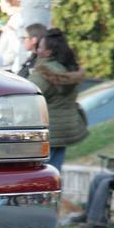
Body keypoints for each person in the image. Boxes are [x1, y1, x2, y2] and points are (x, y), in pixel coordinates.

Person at [27, 28, 87, 171]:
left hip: (48, 131)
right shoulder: (67, 68)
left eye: (40, 47)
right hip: (64, 129)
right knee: (55, 172)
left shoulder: (43, 73)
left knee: (40, 174)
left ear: (48, 52)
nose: (36, 51)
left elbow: (28, 99)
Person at [0, 0, 22, 71]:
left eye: (1, 1)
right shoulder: (14, 19)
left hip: (8, 68)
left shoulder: (16, 19)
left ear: (8, 3)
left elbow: (14, 48)